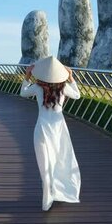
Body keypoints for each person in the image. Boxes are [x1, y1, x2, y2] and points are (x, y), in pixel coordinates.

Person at [20, 56, 82, 211]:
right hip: (59, 129)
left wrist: (27, 76)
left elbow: (23, 93)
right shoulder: (63, 88)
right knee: (59, 160)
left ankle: (47, 197)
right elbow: (77, 95)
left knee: (44, 164)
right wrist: (71, 78)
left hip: (42, 128)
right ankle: (57, 191)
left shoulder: (38, 87)